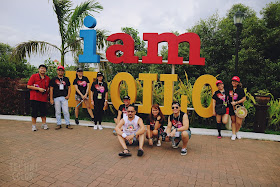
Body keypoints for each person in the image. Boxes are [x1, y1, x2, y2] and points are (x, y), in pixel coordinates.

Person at [27, 64, 50, 131]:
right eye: (41, 68)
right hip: (35, 98)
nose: (43, 70)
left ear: (45, 70)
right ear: (39, 69)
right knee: (34, 112)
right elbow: (28, 86)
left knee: (43, 112)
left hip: (43, 98)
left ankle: (44, 124)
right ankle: (34, 126)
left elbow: (48, 87)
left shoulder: (47, 78)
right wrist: (38, 89)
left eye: (44, 69)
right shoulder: (34, 76)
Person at [50, 65, 72, 130]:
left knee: (66, 111)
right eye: (59, 70)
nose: (60, 72)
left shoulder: (66, 79)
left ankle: (68, 124)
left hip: (64, 97)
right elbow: (51, 89)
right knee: (58, 111)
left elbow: (69, 87)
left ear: (63, 71)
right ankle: (58, 124)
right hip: (56, 98)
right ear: (57, 71)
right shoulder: (54, 79)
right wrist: (51, 99)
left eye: (62, 70)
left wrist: (68, 95)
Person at [229, 76, 246, 140]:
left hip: (239, 107)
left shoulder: (240, 90)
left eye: (236, 81)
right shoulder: (229, 89)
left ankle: (237, 131)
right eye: (233, 81)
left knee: (238, 122)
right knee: (233, 121)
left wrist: (236, 102)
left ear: (238, 83)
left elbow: (244, 98)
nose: (234, 82)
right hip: (231, 107)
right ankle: (233, 134)